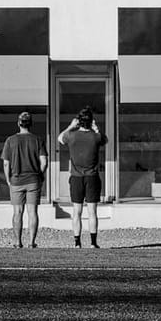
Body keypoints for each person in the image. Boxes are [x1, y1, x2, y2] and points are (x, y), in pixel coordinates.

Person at [58, 106, 108, 248]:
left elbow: (60, 138)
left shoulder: (71, 136)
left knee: (77, 211)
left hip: (76, 177)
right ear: (91, 121)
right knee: (92, 211)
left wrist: (70, 126)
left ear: (79, 121)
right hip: (92, 177)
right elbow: (105, 140)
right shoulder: (96, 137)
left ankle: (77, 242)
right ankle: (93, 242)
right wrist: (96, 128)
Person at [1, 111, 48, 249]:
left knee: (17, 212)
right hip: (33, 179)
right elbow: (44, 162)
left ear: (18, 123)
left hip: (16, 180)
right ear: (31, 124)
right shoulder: (37, 140)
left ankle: (17, 242)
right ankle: (32, 242)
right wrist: (40, 175)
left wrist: (8, 179)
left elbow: (6, 163)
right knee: (32, 212)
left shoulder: (10, 140)